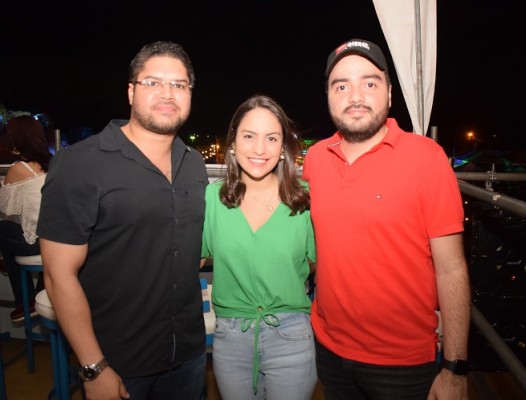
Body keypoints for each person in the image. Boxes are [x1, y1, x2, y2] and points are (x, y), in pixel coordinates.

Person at [36, 41, 208, 400]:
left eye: (179, 85)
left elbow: (186, 247)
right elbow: (58, 274)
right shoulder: (80, 164)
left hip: (188, 356)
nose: (167, 93)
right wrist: (93, 366)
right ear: (131, 91)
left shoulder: (194, 164)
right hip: (117, 361)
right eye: (153, 82)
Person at [302, 38, 471, 400]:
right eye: (341, 85)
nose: (355, 95)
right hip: (329, 350)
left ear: (390, 94)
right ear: (329, 96)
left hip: (403, 364)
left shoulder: (427, 158)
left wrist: (455, 368)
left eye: (370, 82)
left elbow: (451, 268)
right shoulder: (315, 159)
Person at [201, 94, 317, 399]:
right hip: (230, 336)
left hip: (292, 335)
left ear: (282, 149)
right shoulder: (212, 199)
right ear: (233, 143)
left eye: (271, 138)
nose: (259, 149)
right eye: (249, 136)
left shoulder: (305, 199)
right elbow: (187, 262)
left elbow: (324, 264)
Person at [0, 115, 51, 322]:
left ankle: (25, 300)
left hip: (39, 243)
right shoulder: (53, 163)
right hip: (58, 238)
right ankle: (8, 261)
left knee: (3, 227)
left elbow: (7, 208)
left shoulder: (19, 168)